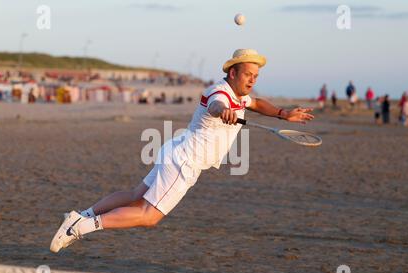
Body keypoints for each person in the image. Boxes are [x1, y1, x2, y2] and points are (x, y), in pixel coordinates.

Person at [50, 49, 315, 253]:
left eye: (256, 76)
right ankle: (82, 227)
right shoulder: (219, 92)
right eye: (248, 75)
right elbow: (215, 104)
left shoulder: (241, 96)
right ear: (233, 73)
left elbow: (256, 103)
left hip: (176, 150)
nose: (252, 80)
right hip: (184, 162)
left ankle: (79, 215)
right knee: (148, 215)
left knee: (135, 195)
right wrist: (223, 112)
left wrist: (283, 114)